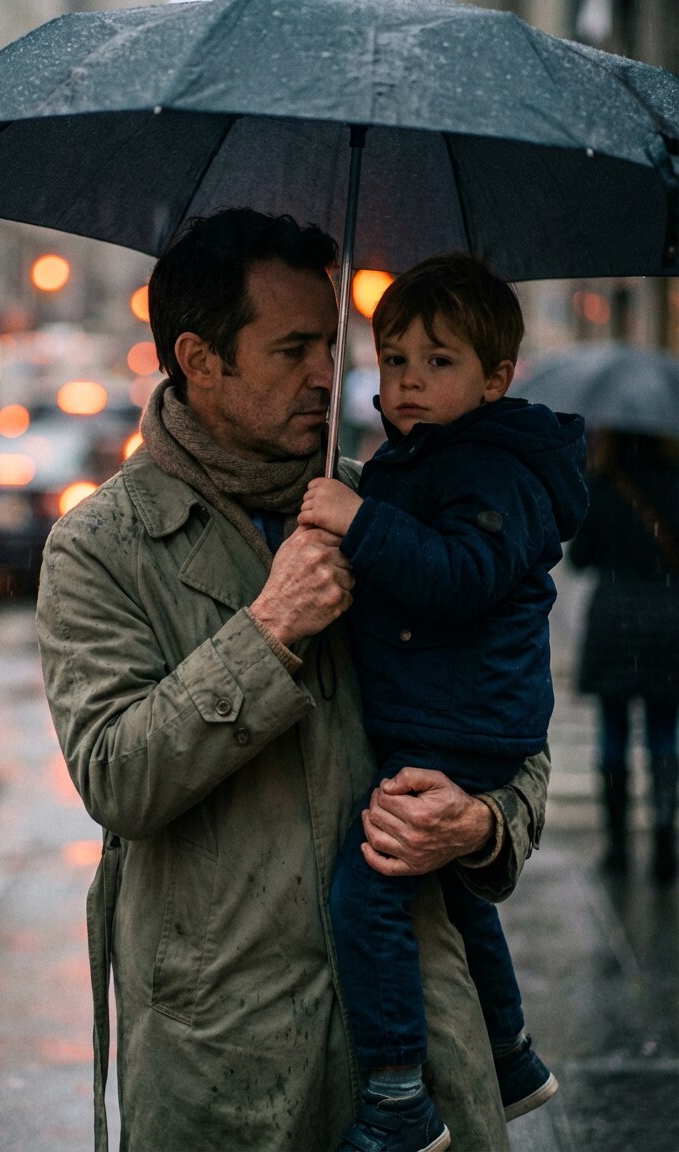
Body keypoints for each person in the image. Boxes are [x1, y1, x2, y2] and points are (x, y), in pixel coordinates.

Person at [36, 210, 553, 1152]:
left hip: (420, 1054)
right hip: (227, 1062)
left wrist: (481, 823)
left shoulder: (390, 504)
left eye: (332, 343)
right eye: (292, 349)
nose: (330, 373)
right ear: (198, 358)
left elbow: (508, 709)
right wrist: (268, 629)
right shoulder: (102, 548)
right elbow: (116, 776)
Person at [299, 254, 587, 1152]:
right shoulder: (423, 457)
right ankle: (510, 1053)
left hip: (462, 718)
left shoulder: (491, 468)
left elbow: (459, 577)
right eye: (394, 362)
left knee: (371, 885)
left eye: (439, 361)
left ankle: (395, 1098)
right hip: (453, 708)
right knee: (459, 897)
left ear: (496, 377)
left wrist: (357, 520)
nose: (410, 381)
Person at [568, 430, 679, 883]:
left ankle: (616, 844)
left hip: (615, 621)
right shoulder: (676, 482)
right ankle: (663, 838)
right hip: (668, 618)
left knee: (612, 732)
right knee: (663, 731)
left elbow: (579, 558)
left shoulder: (604, 485)